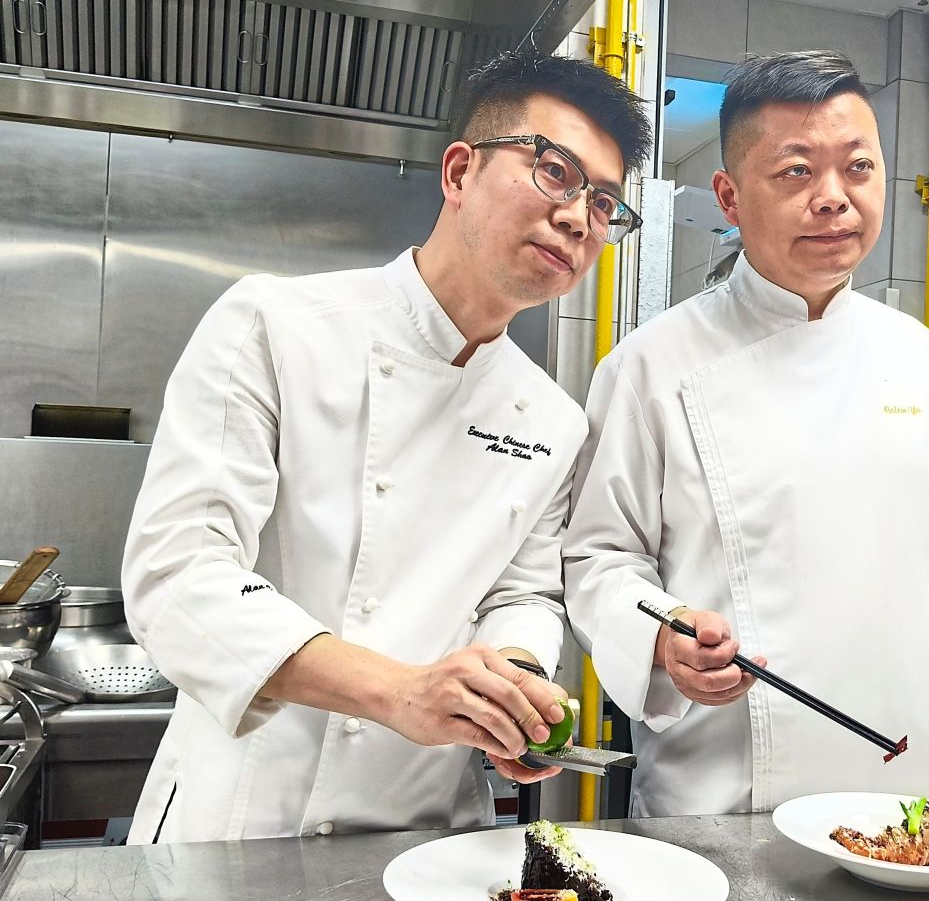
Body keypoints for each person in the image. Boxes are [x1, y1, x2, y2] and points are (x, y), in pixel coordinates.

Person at [121, 50, 652, 843]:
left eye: (605, 202)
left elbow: (526, 595)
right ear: (460, 172)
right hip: (235, 821)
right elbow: (177, 573)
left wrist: (513, 681)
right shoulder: (274, 324)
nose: (580, 217)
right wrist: (399, 690)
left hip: (426, 833)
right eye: (554, 170)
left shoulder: (552, 417)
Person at [564, 50, 929, 817]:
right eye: (796, 172)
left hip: (921, 787)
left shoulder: (922, 359)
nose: (834, 199)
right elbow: (596, 559)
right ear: (728, 195)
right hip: (725, 803)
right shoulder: (651, 366)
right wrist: (662, 637)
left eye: (858, 168)